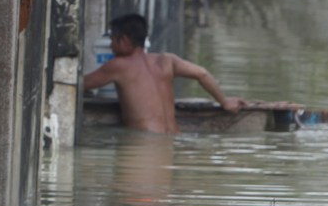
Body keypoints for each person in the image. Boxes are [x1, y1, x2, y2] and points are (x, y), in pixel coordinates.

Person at [83, 14, 243, 134]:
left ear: (124, 40)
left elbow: (82, 84)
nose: (111, 47)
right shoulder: (167, 60)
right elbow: (202, 73)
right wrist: (224, 102)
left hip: (146, 143)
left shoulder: (119, 65)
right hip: (173, 137)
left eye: (113, 40)